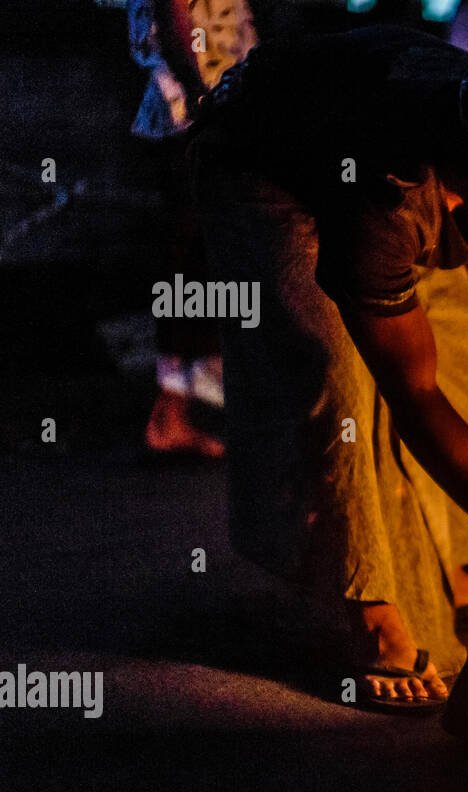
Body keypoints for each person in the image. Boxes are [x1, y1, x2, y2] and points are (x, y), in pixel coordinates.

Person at [188, 26, 468, 711]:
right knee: (331, 374)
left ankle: (452, 561)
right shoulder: (389, 191)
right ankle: (365, 604)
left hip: (372, 154)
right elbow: (413, 391)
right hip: (266, 163)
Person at [128, 0, 260, 456]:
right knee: (194, 259)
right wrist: (201, 97)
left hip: (206, 106)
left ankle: (178, 407)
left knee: (198, 258)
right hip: (190, 111)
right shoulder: (196, 103)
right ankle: (173, 410)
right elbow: (172, 13)